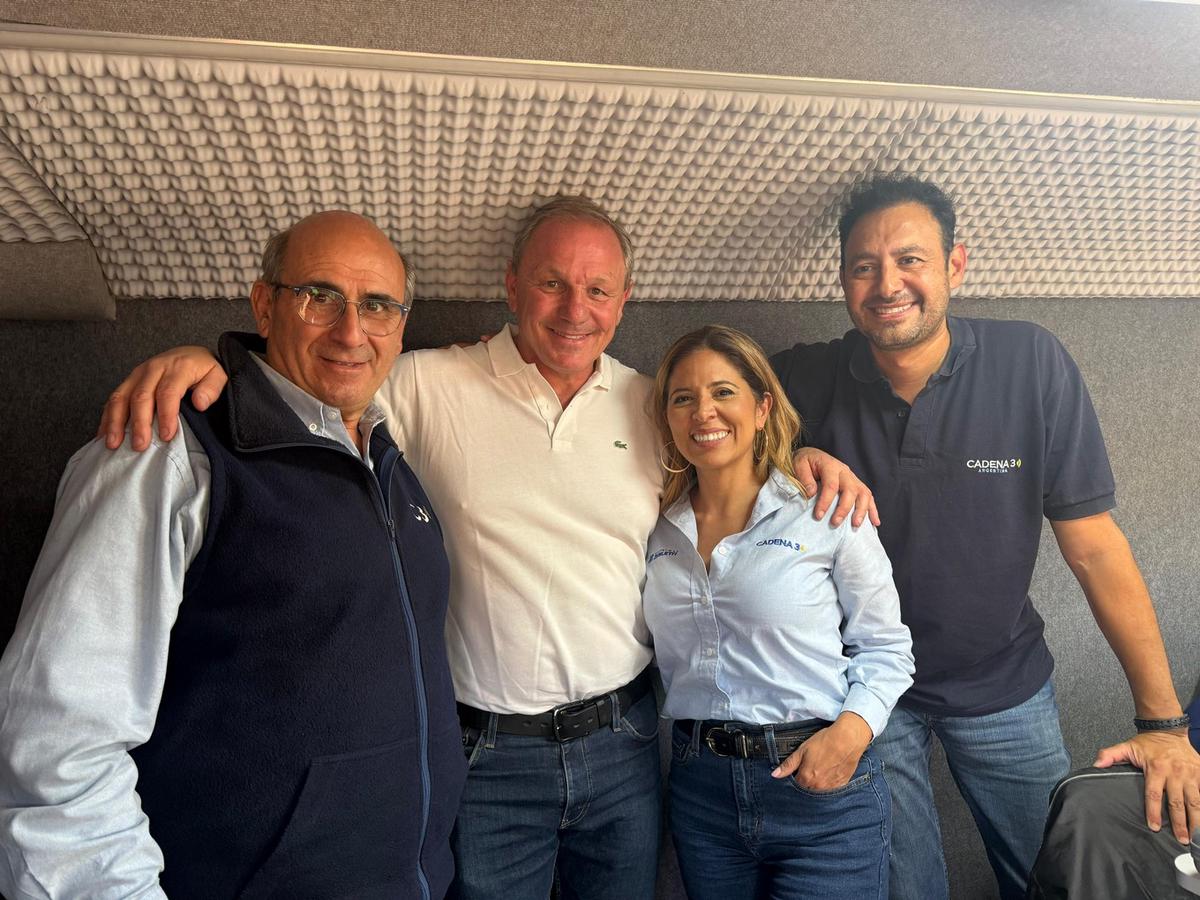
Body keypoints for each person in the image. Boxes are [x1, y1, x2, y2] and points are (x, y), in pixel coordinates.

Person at [92, 195, 875, 900]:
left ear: (624, 299)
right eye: (551, 283)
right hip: (487, 758)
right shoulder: (424, 383)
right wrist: (207, 365)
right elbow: (312, 381)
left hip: (626, 745)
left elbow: (731, 460)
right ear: (511, 286)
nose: (575, 309)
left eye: (598, 289)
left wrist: (804, 463)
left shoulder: (653, 403)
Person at [0, 211, 465, 899]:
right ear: (264, 305)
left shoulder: (392, 465)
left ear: (400, 326)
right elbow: (54, 746)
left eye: (376, 305)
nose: (350, 330)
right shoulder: (167, 452)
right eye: (319, 296)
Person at [770, 174, 1200, 900]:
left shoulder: (1030, 362)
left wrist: (1163, 722)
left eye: (910, 259)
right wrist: (792, 454)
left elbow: (1095, 549)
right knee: (904, 891)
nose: (887, 283)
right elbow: (700, 422)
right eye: (864, 266)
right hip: (866, 694)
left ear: (955, 265)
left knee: (1058, 879)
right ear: (843, 281)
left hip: (1003, 683)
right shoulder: (802, 379)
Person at [643, 325, 914, 899]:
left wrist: (851, 735)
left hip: (820, 789)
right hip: (701, 793)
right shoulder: (655, 527)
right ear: (667, 417)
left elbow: (887, 646)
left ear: (763, 407)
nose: (703, 412)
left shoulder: (825, 510)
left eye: (723, 392)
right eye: (683, 398)